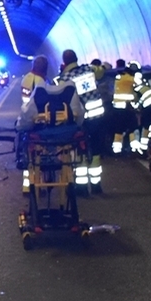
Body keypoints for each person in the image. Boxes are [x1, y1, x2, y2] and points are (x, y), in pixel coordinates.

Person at [57, 49, 106, 193]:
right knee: (96, 151)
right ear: (76, 58)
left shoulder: (64, 79)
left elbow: (62, 101)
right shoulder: (89, 70)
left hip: (80, 121)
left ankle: (82, 187)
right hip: (97, 118)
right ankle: (96, 186)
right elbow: (102, 71)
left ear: (64, 62)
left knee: (80, 152)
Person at [110, 60, 137, 155]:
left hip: (117, 109)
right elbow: (138, 84)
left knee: (119, 129)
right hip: (126, 108)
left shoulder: (119, 77)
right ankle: (134, 148)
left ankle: (117, 149)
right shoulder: (129, 78)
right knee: (132, 127)